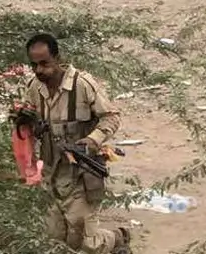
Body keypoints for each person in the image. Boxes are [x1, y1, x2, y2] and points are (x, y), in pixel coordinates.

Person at [23, 33, 131, 254]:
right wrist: (26, 123)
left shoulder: (82, 84)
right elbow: (29, 123)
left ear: (57, 58)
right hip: (51, 173)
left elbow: (111, 117)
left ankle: (117, 239)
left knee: (87, 244)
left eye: (44, 63)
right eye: (34, 65)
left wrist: (92, 140)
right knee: (54, 238)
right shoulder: (35, 87)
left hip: (81, 174)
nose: (39, 70)